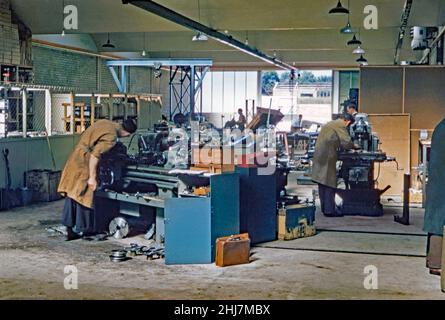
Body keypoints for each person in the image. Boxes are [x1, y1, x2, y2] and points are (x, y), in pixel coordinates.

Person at [58, 119, 137, 240]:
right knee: (84, 196)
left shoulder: (105, 122)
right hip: (85, 162)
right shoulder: (112, 136)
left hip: (77, 155)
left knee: (72, 193)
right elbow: (95, 156)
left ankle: (69, 228)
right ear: (127, 134)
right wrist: (92, 178)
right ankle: (85, 229)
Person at [311, 114, 357, 217]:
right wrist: (355, 146)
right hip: (327, 155)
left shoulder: (331, 123)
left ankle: (325, 208)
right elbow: (346, 141)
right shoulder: (340, 125)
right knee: (329, 183)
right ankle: (330, 211)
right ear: (347, 121)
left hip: (320, 154)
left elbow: (334, 139)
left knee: (322, 182)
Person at [423, 117, 445, 276]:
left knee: (437, 220)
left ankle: (433, 260)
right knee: (439, 221)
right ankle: (436, 263)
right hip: (442, 183)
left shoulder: (441, 127)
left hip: (438, 181)